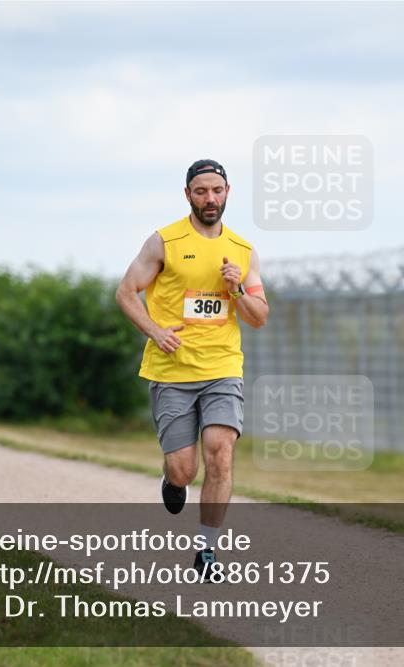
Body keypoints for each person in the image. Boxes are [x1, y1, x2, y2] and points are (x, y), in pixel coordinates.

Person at [115, 159, 269, 579]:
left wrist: (237, 288)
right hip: (172, 370)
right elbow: (126, 293)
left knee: (220, 454)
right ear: (188, 195)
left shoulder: (242, 250)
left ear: (228, 192)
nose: (210, 199)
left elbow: (258, 316)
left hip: (222, 369)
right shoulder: (164, 241)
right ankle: (173, 480)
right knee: (185, 469)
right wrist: (154, 331)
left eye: (217, 190)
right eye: (201, 191)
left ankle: (207, 552)